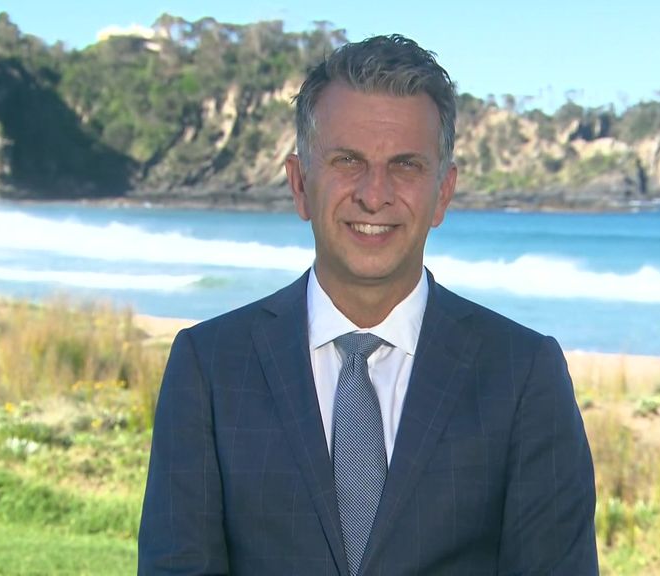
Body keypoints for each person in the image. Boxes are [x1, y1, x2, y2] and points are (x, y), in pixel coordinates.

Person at [139, 34, 598, 575]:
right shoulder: (209, 365)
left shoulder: (522, 373)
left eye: (405, 165)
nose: (374, 194)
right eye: (347, 161)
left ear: (443, 194)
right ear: (300, 183)